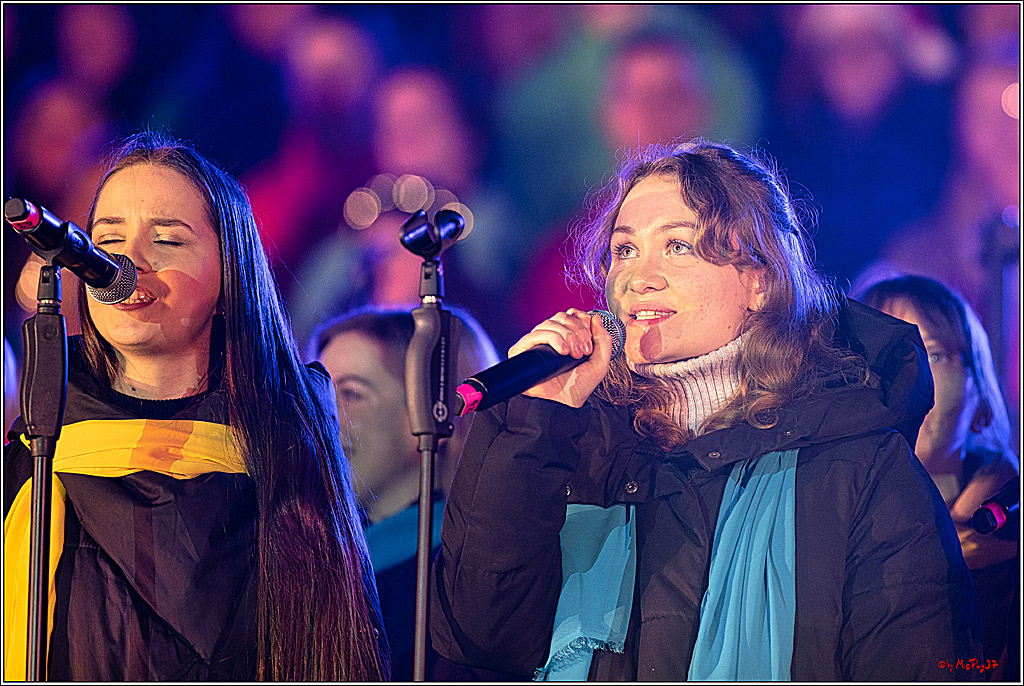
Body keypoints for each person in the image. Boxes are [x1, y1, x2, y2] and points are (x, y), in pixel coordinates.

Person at [431, 139, 982, 680]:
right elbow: (477, 634)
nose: (638, 277)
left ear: (760, 282)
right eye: (624, 249)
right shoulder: (574, 444)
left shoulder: (862, 467)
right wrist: (534, 421)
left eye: (677, 246)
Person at [2, 131, 389, 681]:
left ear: (228, 273)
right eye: (108, 239)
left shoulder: (286, 447)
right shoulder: (40, 448)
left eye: (167, 241)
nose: (126, 262)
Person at [311, 305, 520, 681]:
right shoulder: (315, 564)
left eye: (352, 393)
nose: (324, 414)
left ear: (433, 412)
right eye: (320, 392)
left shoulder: (470, 580)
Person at [856, 274, 1018, 681]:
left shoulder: (1010, 534)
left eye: (930, 353)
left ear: (977, 388)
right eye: (882, 353)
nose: (907, 374)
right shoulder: (822, 531)